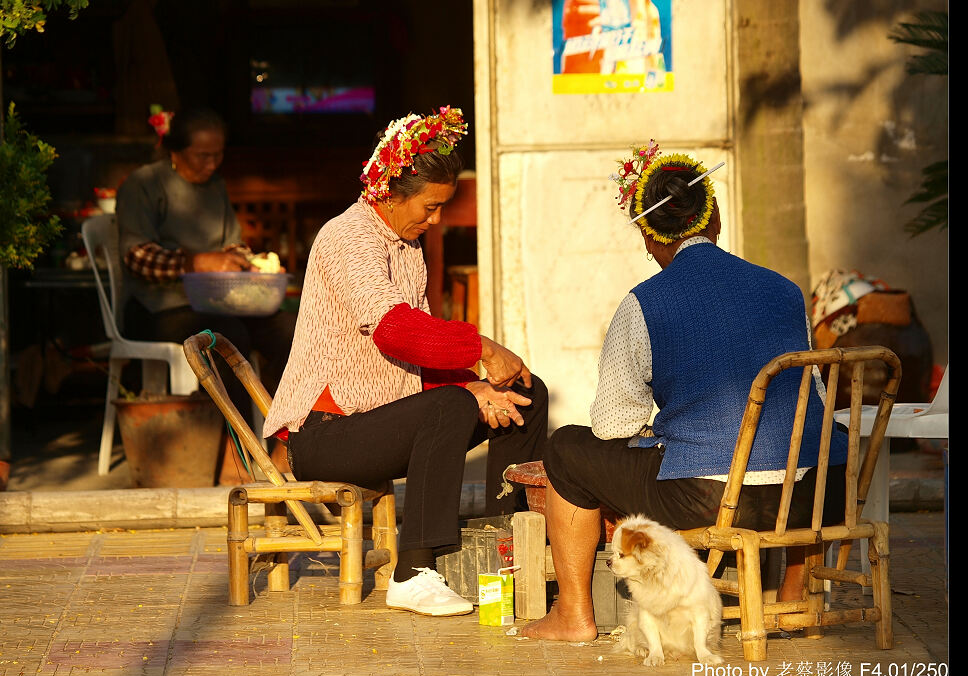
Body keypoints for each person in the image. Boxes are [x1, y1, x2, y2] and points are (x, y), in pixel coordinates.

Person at [524, 141, 849, 642]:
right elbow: (813, 398)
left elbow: (613, 425)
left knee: (566, 447)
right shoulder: (784, 289)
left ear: (649, 239)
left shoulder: (643, 303)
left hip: (710, 501)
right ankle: (792, 594)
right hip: (806, 497)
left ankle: (573, 615)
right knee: (817, 441)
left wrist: (660, 426)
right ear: (713, 218)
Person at [262, 106, 549, 617]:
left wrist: (477, 383)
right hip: (323, 434)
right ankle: (411, 573)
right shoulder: (347, 238)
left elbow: (421, 354)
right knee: (451, 408)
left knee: (525, 393)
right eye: (430, 206)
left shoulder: (406, 245)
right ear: (388, 193)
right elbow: (398, 332)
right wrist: (481, 350)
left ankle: (501, 545)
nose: (436, 219)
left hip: (382, 421)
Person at [116, 107, 297, 415]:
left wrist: (250, 265)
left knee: (289, 330)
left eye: (218, 154)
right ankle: (234, 442)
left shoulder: (215, 185)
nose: (212, 164)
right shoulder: (143, 184)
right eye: (202, 155)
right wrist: (197, 262)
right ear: (175, 150)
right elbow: (136, 256)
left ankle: (288, 430)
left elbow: (232, 245)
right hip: (160, 307)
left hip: (218, 302)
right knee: (227, 338)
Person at [624, 0, 664, 80]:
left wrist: (658, 76)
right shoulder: (623, 2)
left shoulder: (653, 10)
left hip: (648, 73)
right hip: (625, 70)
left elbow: (655, 45)